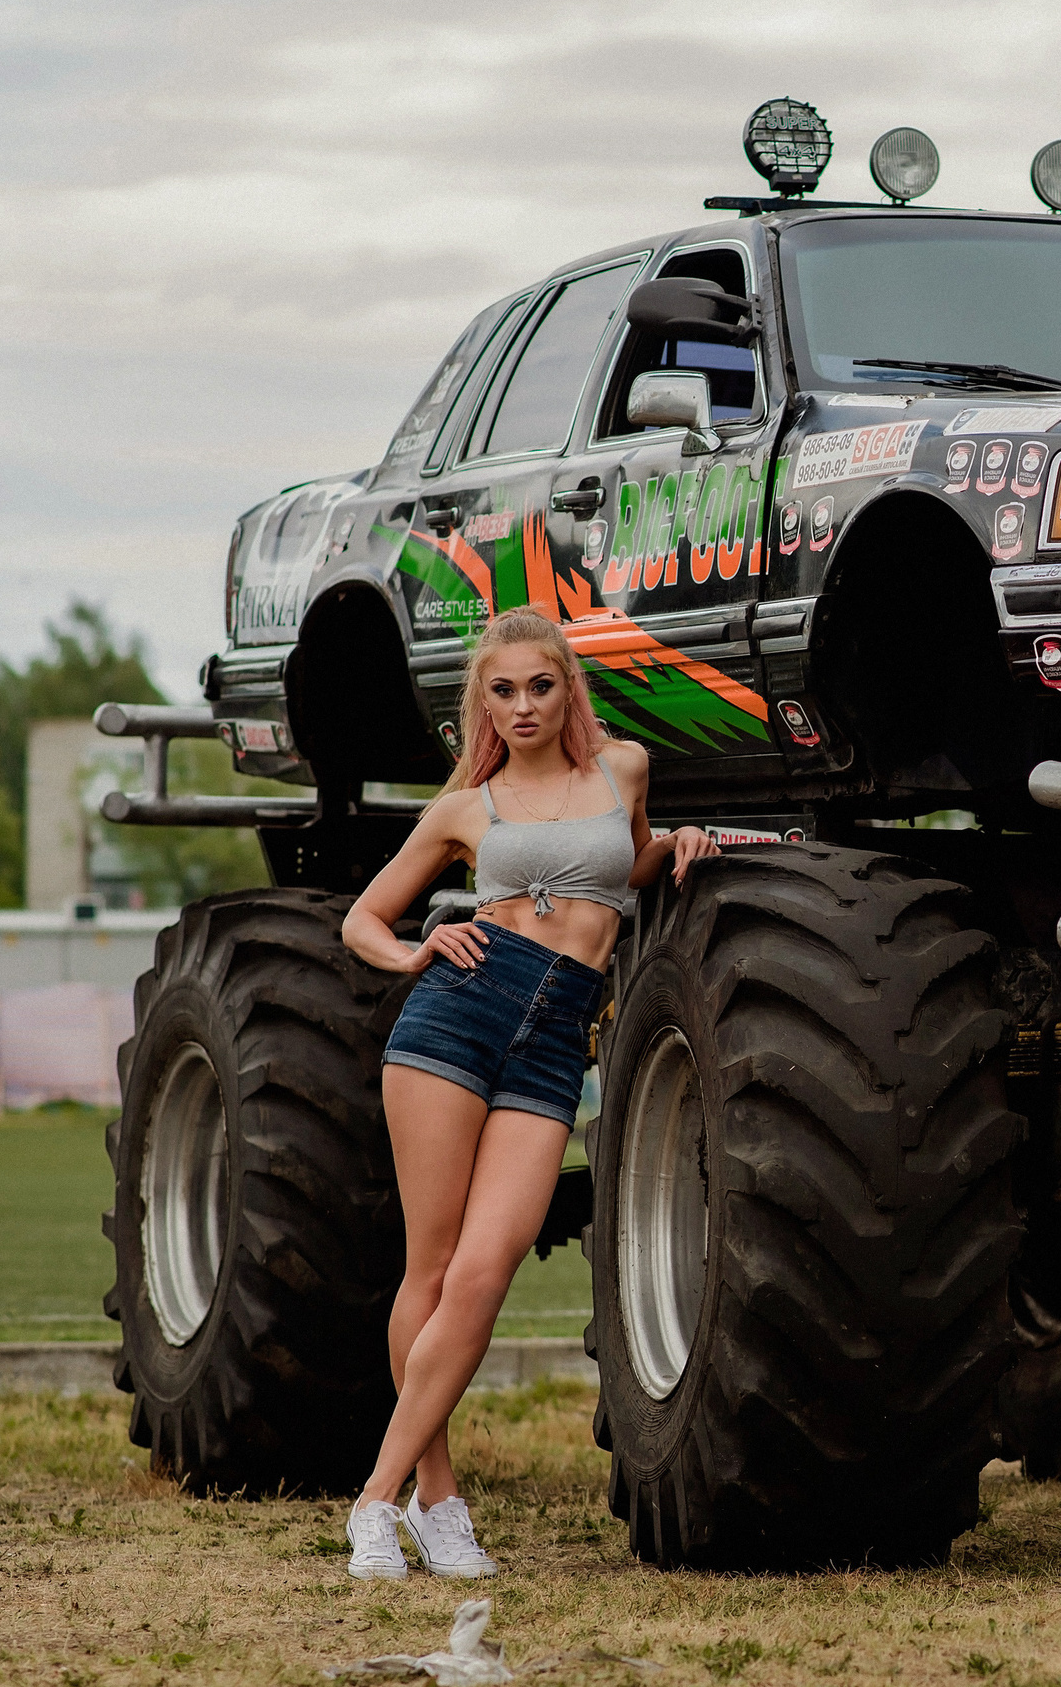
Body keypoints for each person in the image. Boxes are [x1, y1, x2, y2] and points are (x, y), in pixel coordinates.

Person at [336, 604, 717, 1579]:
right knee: (430, 1266)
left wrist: (675, 845)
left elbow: (619, 872)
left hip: (556, 1041)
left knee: (489, 1264)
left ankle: (392, 1500)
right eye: (500, 691)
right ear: (483, 704)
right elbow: (362, 919)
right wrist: (418, 945)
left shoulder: (622, 767)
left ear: (566, 687)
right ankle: (417, 1498)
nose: (522, 705)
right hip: (455, 1019)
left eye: (539, 685)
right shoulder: (467, 807)